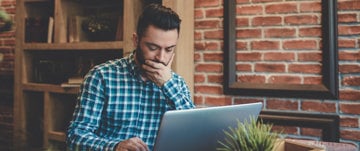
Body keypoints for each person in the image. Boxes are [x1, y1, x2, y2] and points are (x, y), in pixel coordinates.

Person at [66, 4, 195, 151]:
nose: (161, 57)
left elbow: (194, 132)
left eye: (169, 49)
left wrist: (168, 85)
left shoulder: (177, 84)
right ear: (136, 40)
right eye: (153, 48)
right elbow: (75, 137)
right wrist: (115, 147)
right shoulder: (101, 77)